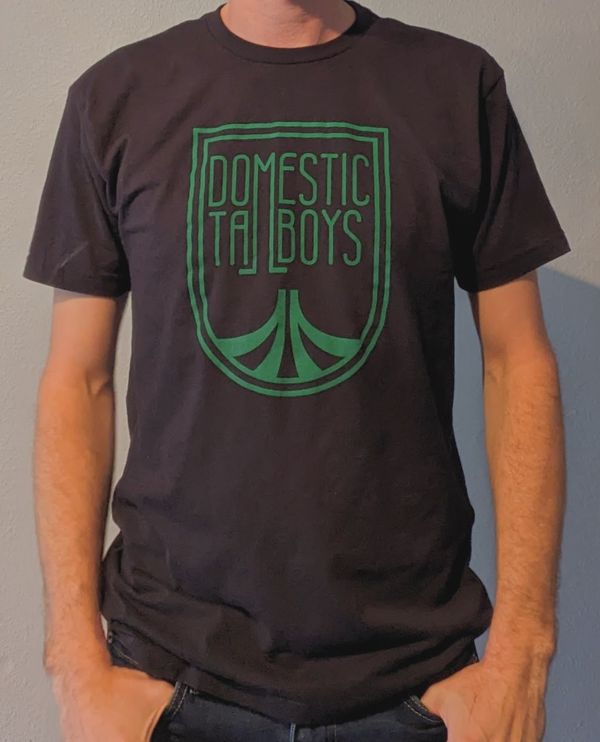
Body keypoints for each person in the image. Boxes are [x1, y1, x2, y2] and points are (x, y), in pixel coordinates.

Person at [22, 0, 571, 740]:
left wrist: (524, 654)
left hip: (416, 680)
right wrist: (74, 663)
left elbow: (519, 361)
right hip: (169, 677)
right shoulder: (115, 95)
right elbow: (76, 378)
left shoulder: (457, 84)